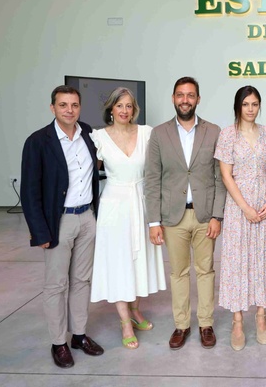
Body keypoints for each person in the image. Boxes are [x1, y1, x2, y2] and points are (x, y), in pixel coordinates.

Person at [20, 85, 104, 368]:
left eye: (74, 105)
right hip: (59, 221)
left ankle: (79, 335)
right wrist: (40, 231)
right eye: (63, 105)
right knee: (56, 285)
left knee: (82, 281)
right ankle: (59, 342)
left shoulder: (88, 135)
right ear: (53, 107)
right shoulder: (38, 142)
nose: (70, 110)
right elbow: (30, 191)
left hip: (87, 218)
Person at [144, 77, 226, 350]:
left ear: (198, 99)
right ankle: (181, 325)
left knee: (206, 271)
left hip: (204, 216)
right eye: (180, 95)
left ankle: (206, 324)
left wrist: (217, 216)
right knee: (178, 273)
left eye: (190, 95)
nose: (185, 100)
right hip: (172, 218)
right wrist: (154, 221)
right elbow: (152, 178)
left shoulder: (214, 131)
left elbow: (220, 178)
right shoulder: (160, 133)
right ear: (173, 98)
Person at [89, 87, 166, 350]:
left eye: (129, 106)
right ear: (111, 108)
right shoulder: (98, 138)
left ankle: (135, 310)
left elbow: (157, 171)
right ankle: (124, 321)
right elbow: (85, 175)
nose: (124, 110)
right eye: (119, 106)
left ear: (134, 109)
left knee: (138, 259)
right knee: (119, 261)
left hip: (142, 203)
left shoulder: (147, 133)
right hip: (114, 206)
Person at [215, 86, 266, 351]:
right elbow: (226, 175)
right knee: (238, 261)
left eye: (255, 104)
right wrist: (244, 207)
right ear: (238, 107)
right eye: (246, 104)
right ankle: (237, 319)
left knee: (264, 257)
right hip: (238, 206)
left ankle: (262, 314)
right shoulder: (228, 134)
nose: (251, 109)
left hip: (265, 203)